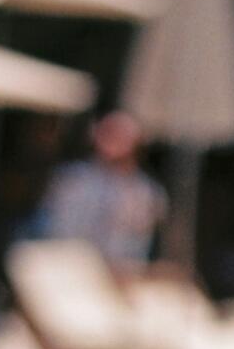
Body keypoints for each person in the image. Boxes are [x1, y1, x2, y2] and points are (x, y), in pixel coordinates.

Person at [35, 112, 167, 274]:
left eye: (119, 135)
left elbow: (139, 242)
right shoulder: (71, 179)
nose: (111, 141)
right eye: (108, 133)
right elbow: (52, 228)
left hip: (119, 278)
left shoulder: (146, 192)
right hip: (68, 271)